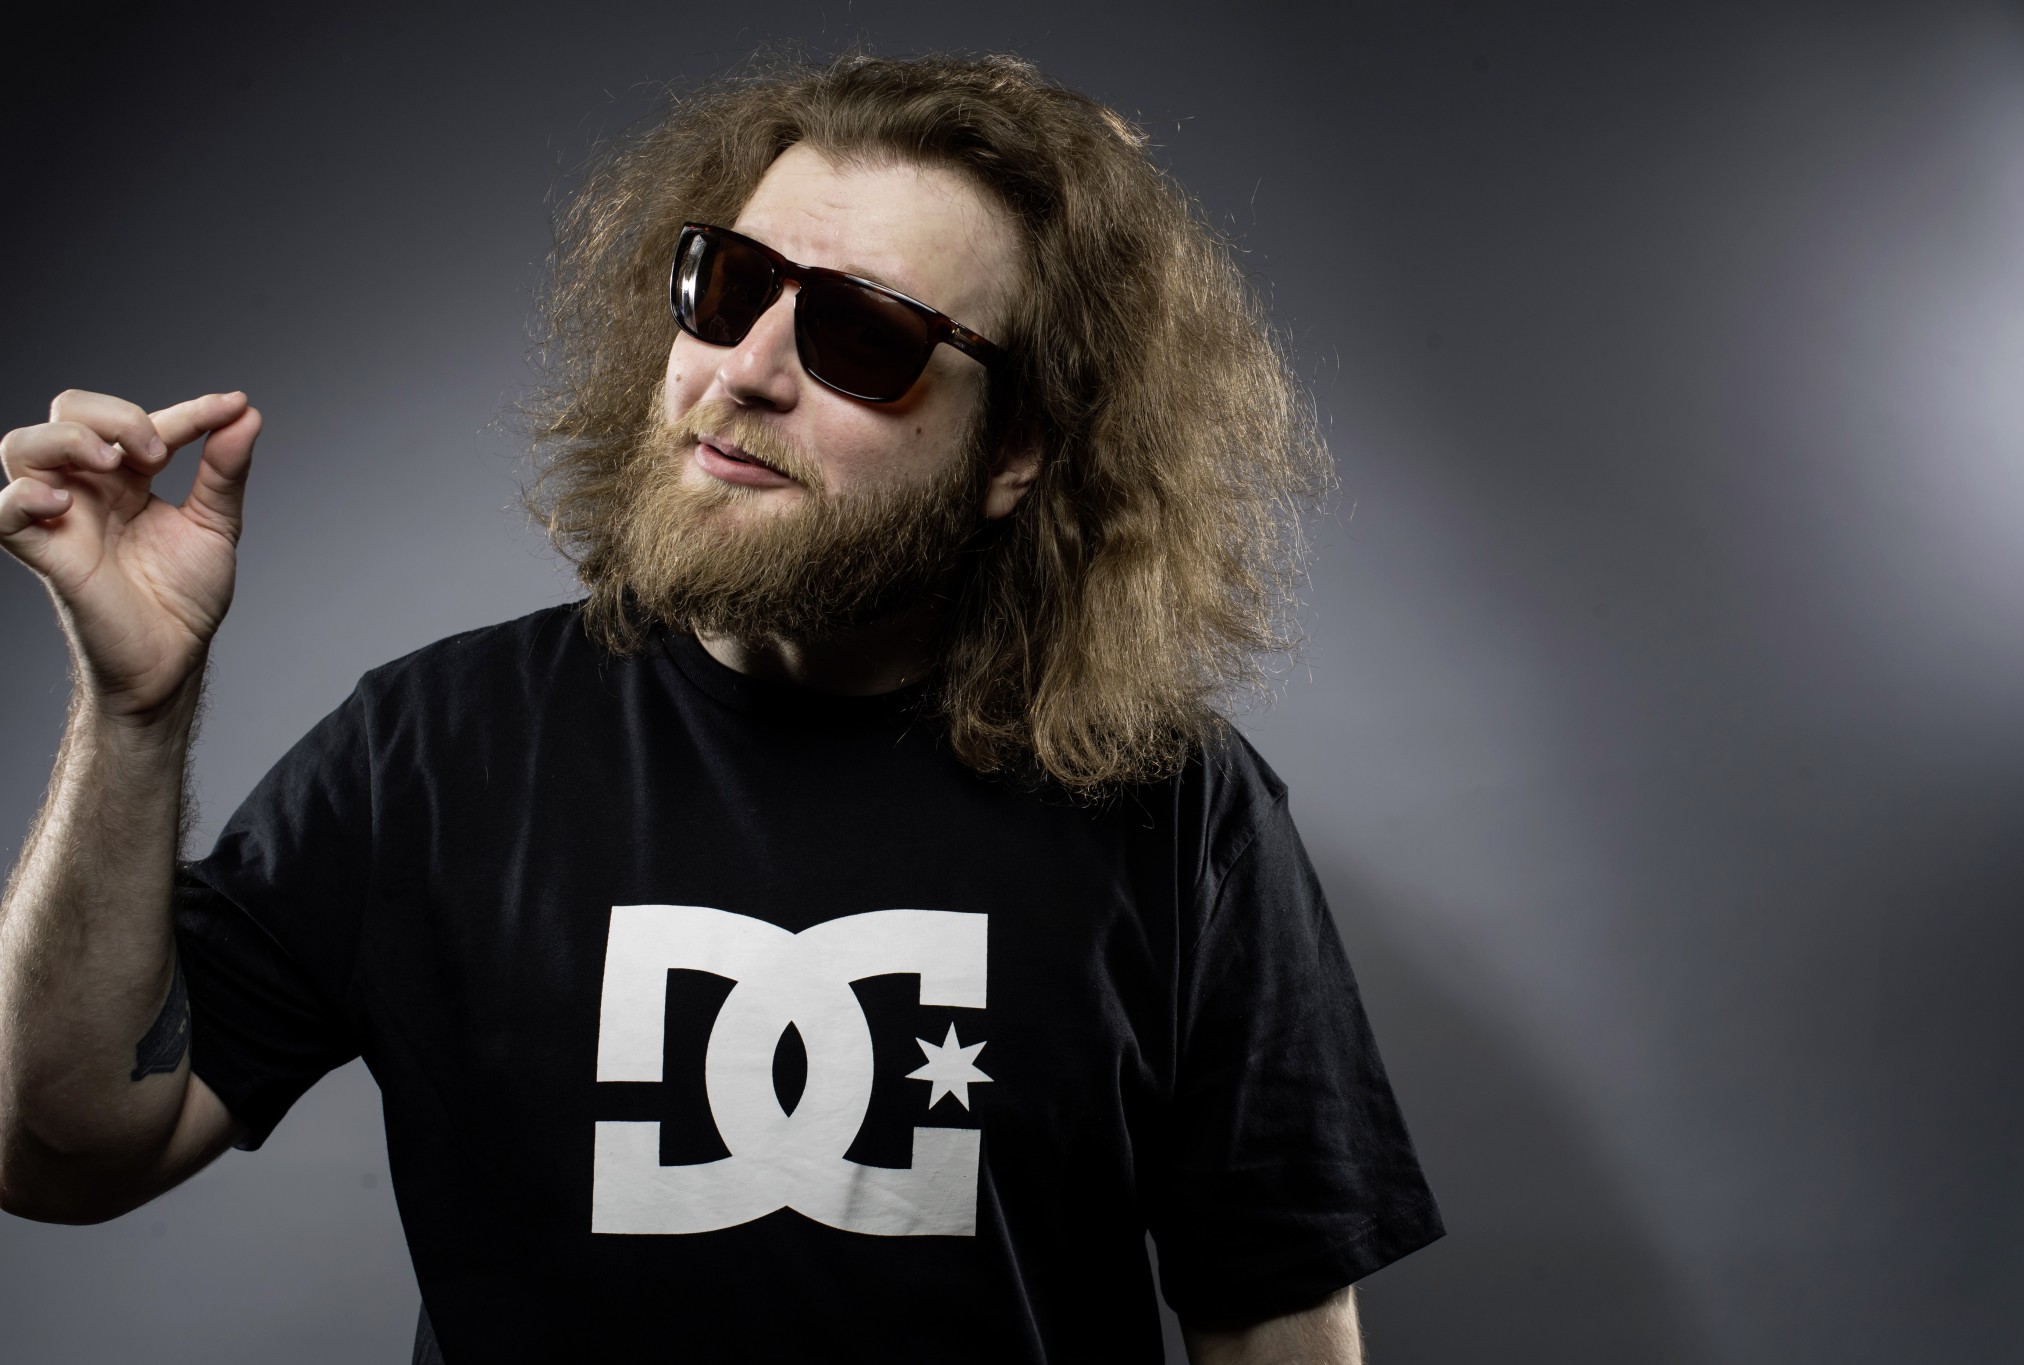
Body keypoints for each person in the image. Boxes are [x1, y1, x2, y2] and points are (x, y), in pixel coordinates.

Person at [0, 52, 1442, 1363]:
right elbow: (60, 1148)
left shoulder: (1171, 802)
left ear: (1015, 449)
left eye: (863, 337)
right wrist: (134, 711)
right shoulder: (432, 748)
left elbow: (1274, 1320)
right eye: (731, 284)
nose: (746, 371)